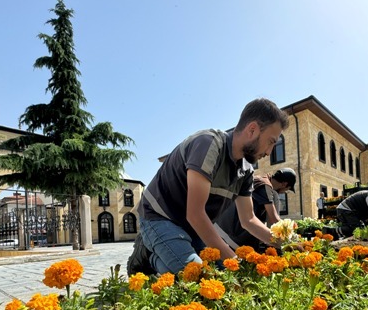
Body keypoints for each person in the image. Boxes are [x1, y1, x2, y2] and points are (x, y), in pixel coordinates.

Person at [127, 98, 290, 275]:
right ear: (252, 130)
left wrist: (288, 243)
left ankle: (163, 255)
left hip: (192, 228)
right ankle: (149, 257)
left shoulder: (246, 171)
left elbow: (248, 220)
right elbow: (195, 214)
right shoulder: (208, 144)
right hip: (159, 217)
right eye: (271, 142)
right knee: (198, 275)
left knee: (218, 272)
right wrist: (235, 262)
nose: (269, 152)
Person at [214, 168, 297, 250]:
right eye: (287, 189)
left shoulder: (259, 180)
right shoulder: (265, 186)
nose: (284, 192)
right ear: (284, 184)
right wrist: (293, 241)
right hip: (233, 233)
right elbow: (274, 219)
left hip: (222, 227)